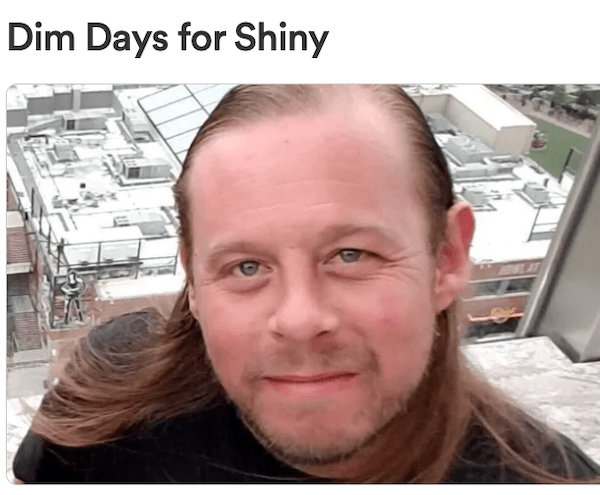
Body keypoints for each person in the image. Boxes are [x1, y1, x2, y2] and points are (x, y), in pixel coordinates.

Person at [13, 85, 600, 483]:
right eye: (247, 267)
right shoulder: (107, 409)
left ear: (446, 258)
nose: (299, 319)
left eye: (351, 255)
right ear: (193, 279)